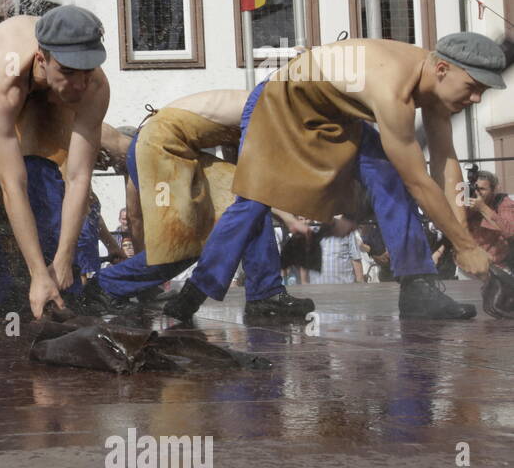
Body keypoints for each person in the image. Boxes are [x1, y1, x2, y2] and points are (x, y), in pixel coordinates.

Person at [163, 35, 505, 322]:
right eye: (473, 87)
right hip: (282, 100)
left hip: (337, 110)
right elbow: (420, 181)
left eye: (483, 91)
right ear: (442, 69)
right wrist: (464, 246)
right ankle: (196, 293)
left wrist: (464, 241)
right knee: (256, 198)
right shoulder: (392, 90)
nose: (476, 99)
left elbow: (446, 163)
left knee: (389, 179)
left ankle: (418, 289)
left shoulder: (435, 84)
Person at [80, 89, 313, 318]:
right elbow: (254, 179)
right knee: (185, 242)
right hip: (160, 145)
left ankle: (265, 294)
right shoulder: (272, 111)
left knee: (252, 212)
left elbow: (247, 188)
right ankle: (106, 286)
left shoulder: (268, 107)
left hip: (170, 146)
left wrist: (284, 216)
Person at [0, 6, 111, 332]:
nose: (79, 85)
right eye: (68, 71)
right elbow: (12, 186)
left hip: (48, 98)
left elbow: (79, 179)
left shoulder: (92, 87)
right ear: (42, 59)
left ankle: (67, 295)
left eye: (87, 71)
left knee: (49, 187)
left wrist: (62, 259)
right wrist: (37, 272)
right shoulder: (3, 84)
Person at [463, 169, 514, 268]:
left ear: (493, 190)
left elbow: (510, 231)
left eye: (482, 189)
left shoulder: (503, 203)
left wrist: (483, 208)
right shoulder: (466, 202)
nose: (477, 193)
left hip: (497, 266)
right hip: (469, 265)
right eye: (475, 188)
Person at [307, 216, 365, 284]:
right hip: (317, 290)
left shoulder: (346, 230)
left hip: (344, 290)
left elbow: (356, 259)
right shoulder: (309, 232)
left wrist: (360, 284)